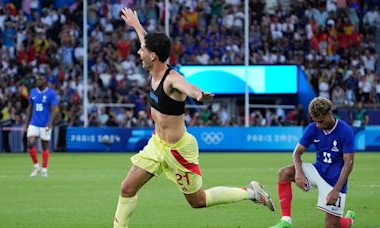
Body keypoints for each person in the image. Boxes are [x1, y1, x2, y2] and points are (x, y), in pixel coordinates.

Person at [114, 8, 275, 228]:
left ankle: (251, 193)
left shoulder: (172, 79)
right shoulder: (154, 67)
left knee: (198, 201)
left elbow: (187, 86)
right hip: (157, 144)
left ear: (153, 55)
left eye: (142, 50)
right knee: (127, 188)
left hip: (179, 150)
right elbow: (147, 41)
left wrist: (198, 94)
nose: (138, 53)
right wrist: (136, 25)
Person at [270, 97, 356, 228]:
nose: (318, 125)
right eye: (315, 121)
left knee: (332, 225)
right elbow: (297, 153)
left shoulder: (345, 131)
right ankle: (286, 221)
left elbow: (348, 163)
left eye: (321, 121)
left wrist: (336, 190)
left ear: (329, 114)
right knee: (285, 173)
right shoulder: (313, 128)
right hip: (318, 170)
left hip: (335, 180)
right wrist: (299, 173)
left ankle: (348, 220)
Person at [25, 73, 58, 177]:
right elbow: (30, 108)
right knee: (30, 143)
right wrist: (27, 123)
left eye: (40, 79)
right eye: (37, 79)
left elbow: (54, 109)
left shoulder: (51, 93)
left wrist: (50, 122)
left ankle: (44, 169)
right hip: (34, 122)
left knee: (45, 147)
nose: (38, 81)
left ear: (45, 81)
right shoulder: (33, 92)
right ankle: (36, 166)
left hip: (45, 124)